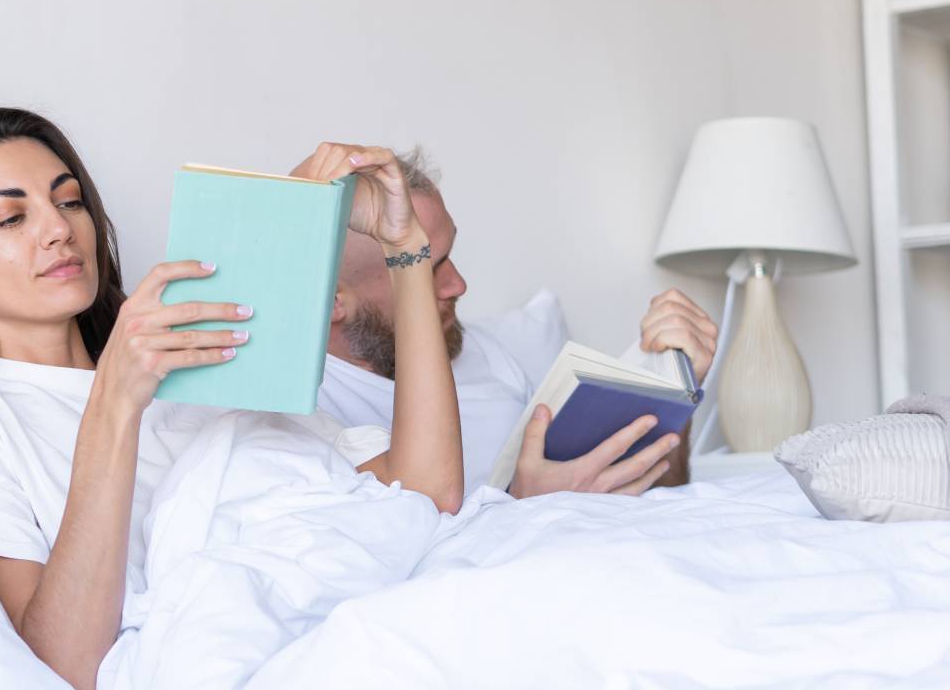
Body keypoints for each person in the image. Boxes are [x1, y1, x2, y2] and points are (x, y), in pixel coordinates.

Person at [0, 107, 462, 690]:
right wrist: (116, 399)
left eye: (69, 202)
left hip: (372, 605)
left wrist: (405, 249)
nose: (57, 229)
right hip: (250, 664)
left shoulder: (195, 351)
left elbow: (426, 492)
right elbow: (63, 667)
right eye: (11, 217)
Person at [301, 144, 719, 498]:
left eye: (450, 257)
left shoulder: (482, 352)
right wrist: (523, 506)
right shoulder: (309, 410)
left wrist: (673, 392)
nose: (458, 285)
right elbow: (401, 536)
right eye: (427, 268)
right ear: (334, 298)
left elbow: (659, 494)